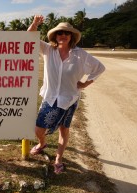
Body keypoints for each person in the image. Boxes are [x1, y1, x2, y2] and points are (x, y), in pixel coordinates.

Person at [28, 15, 105, 174]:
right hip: (50, 98)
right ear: (55, 36)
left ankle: (59, 158)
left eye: (66, 33)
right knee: (38, 130)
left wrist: (85, 83)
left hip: (69, 99)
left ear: (71, 37)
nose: (63, 35)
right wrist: (35, 24)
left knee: (64, 129)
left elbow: (99, 68)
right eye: (59, 33)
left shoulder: (80, 55)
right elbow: (29, 37)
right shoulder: (49, 50)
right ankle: (42, 144)